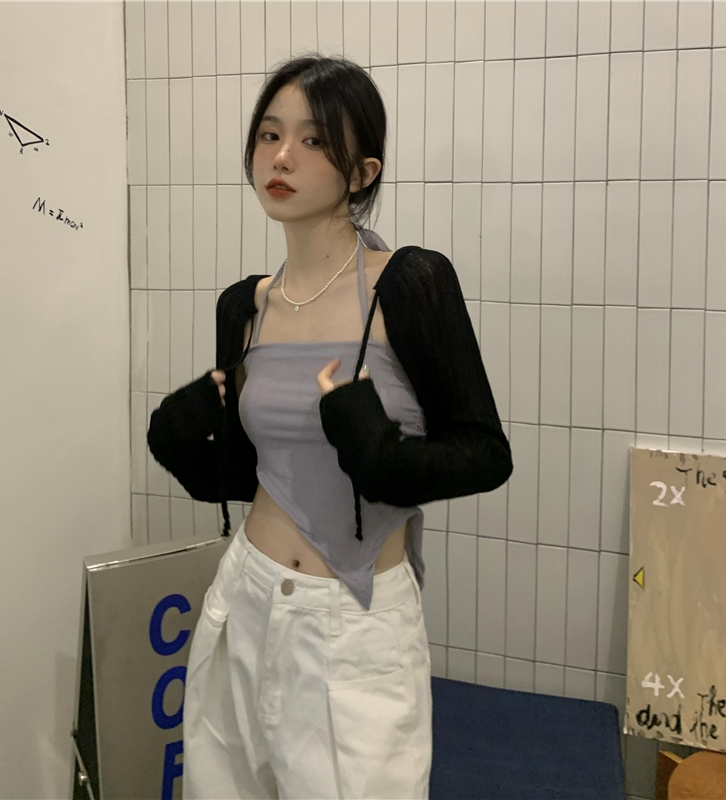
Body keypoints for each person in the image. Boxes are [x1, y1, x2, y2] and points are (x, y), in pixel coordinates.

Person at [147, 53, 513, 800]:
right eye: (269, 134)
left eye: (314, 140)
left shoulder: (410, 283)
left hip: (353, 621)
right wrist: (177, 445)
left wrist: (379, 453)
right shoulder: (243, 306)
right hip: (244, 598)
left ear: (362, 172)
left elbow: (485, 453)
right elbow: (244, 476)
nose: (281, 157)